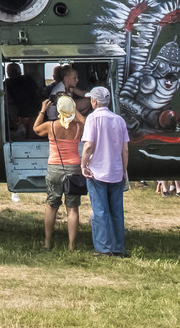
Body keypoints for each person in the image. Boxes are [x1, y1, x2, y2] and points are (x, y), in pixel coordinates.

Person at [80, 86, 128, 257]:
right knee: (117, 211)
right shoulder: (119, 120)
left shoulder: (92, 119)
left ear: (94, 101)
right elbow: (125, 150)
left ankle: (104, 248)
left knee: (100, 211)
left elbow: (89, 146)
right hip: (115, 171)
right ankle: (118, 248)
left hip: (97, 171)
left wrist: (83, 165)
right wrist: (124, 171)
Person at [34, 95, 86, 250]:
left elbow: (36, 129)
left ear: (58, 110)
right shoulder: (78, 127)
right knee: (73, 208)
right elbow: (86, 122)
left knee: (52, 205)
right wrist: (75, 111)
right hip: (74, 168)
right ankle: (71, 245)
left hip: (55, 167)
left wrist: (42, 111)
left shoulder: (51, 126)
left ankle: (47, 242)